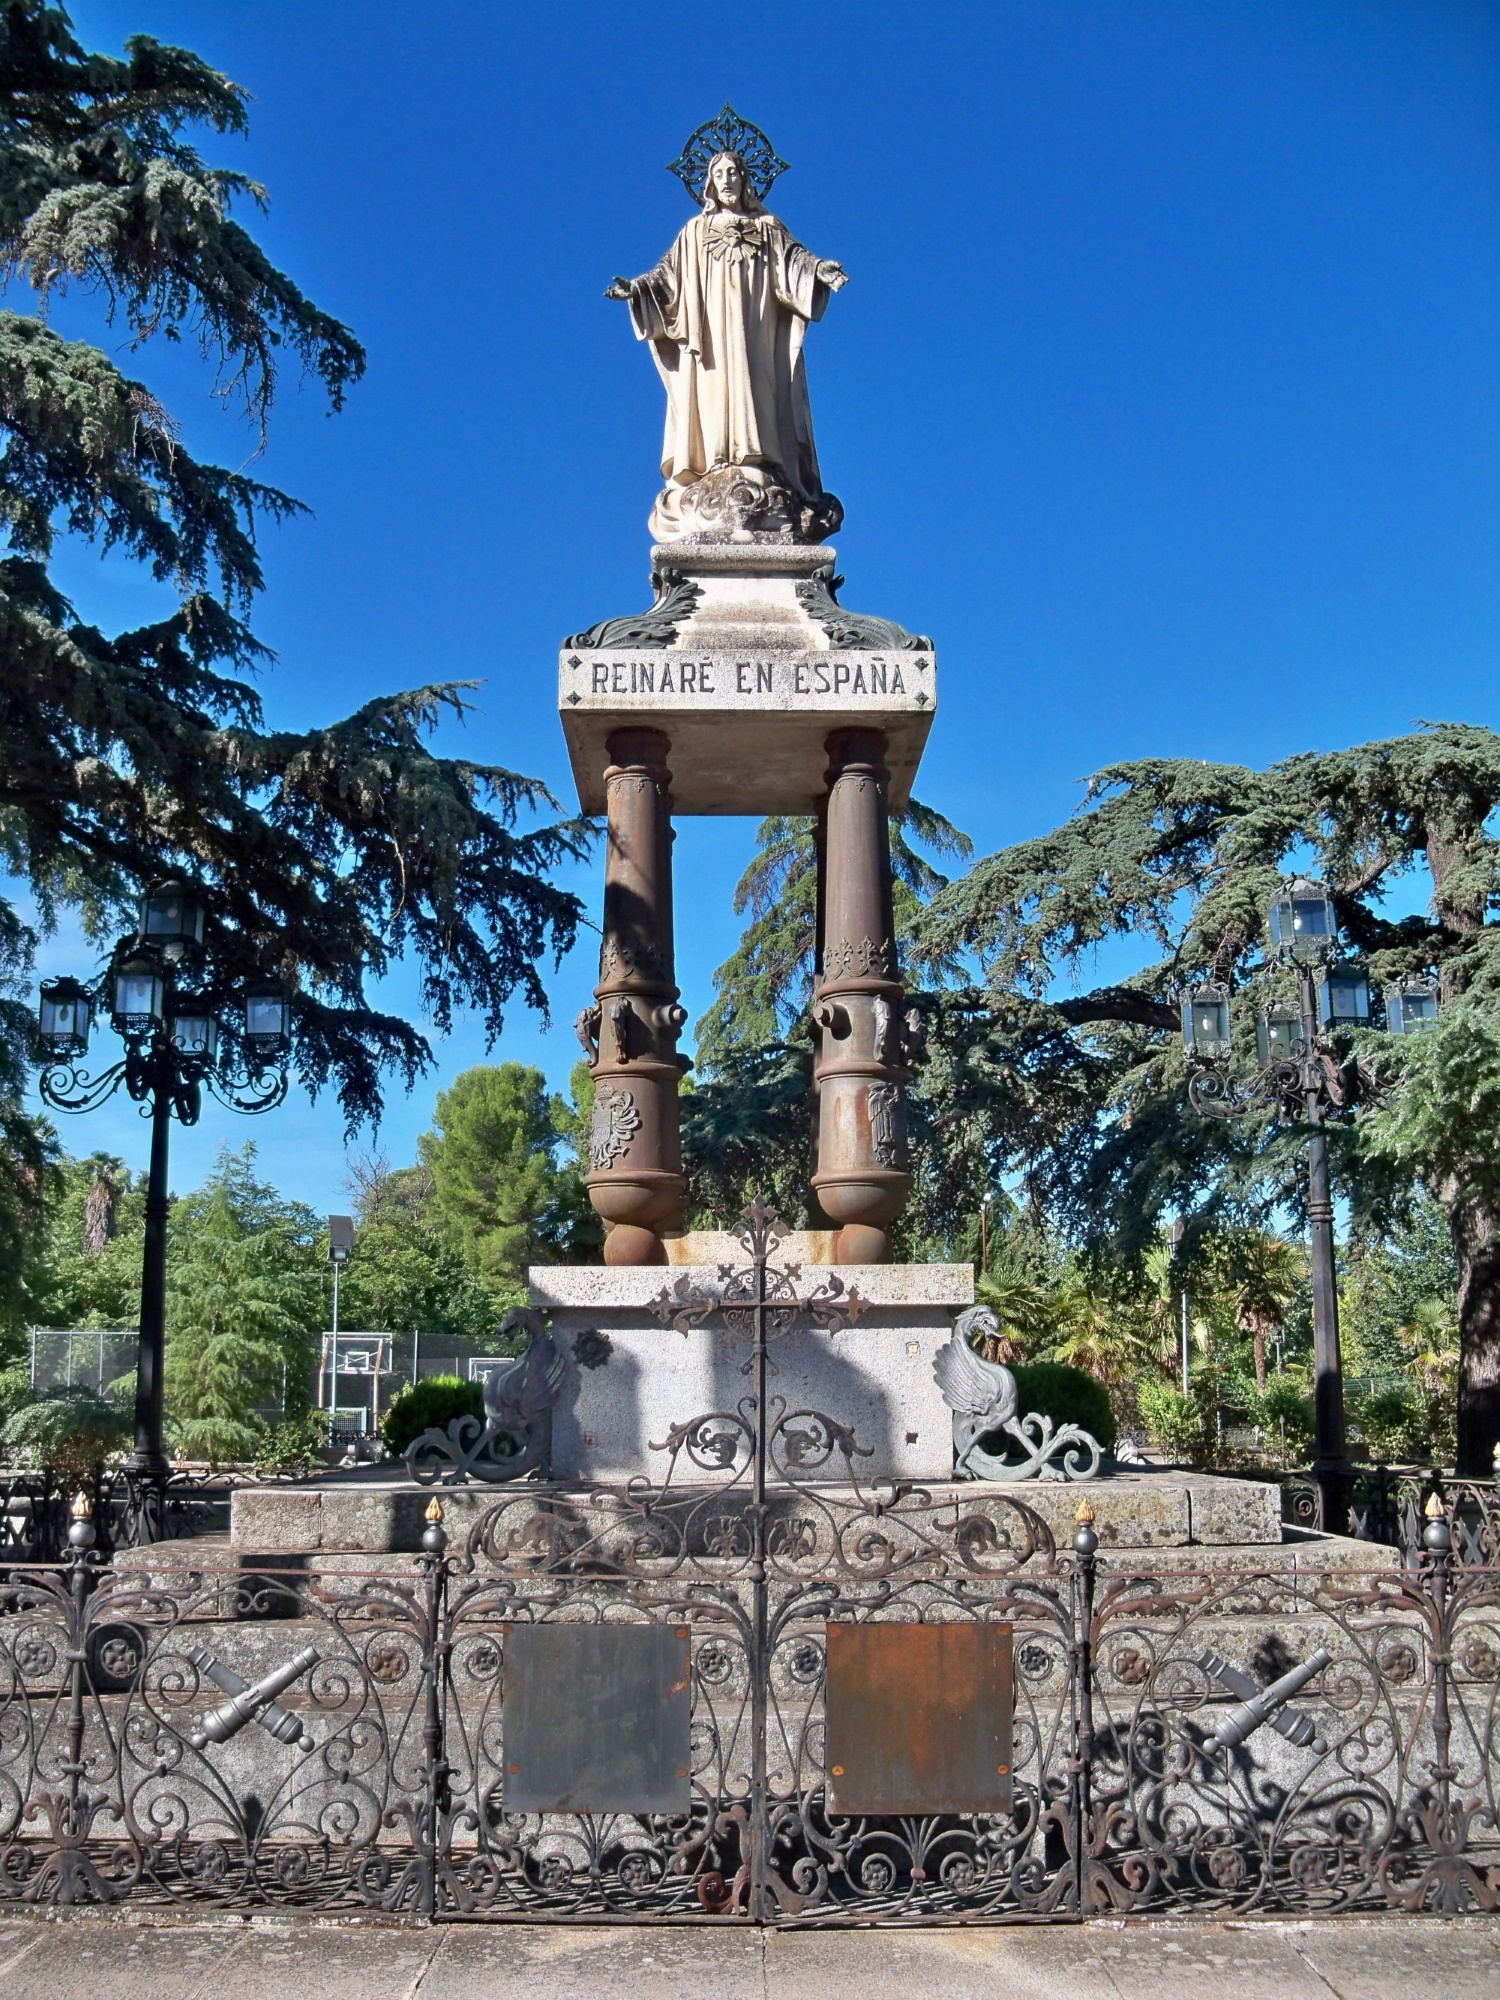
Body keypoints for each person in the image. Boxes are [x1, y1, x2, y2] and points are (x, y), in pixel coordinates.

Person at [607, 150, 847, 540]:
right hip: (710, 339)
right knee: (713, 394)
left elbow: (794, 262)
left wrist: (818, 270)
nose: (727, 180)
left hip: (757, 333)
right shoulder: (694, 233)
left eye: (734, 172)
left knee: (761, 391)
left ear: (745, 180)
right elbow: (667, 278)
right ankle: (716, 464)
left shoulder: (768, 228)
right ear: (709, 184)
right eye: (719, 174)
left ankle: (763, 464)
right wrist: (638, 290)